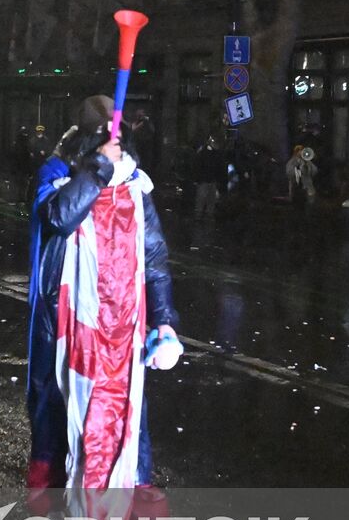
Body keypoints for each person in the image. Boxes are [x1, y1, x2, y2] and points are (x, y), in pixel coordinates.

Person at [26, 95, 179, 490]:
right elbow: (59, 216)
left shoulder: (134, 185)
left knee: (125, 416)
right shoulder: (56, 173)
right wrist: (97, 172)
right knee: (61, 417)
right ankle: (58, 512)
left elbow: (155, 257)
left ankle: (130, 507)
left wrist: (164, 321)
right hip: (67, 326)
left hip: (122, 328)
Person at [192, 135, 227, 217]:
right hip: (204, 180)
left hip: (212, 180)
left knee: (211, 199)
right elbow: (197, 166)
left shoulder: (216, 154)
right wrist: (197, 179)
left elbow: (220, 167)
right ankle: (199, 214)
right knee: (201, 198)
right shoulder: (202, 154)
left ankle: (208, 214)